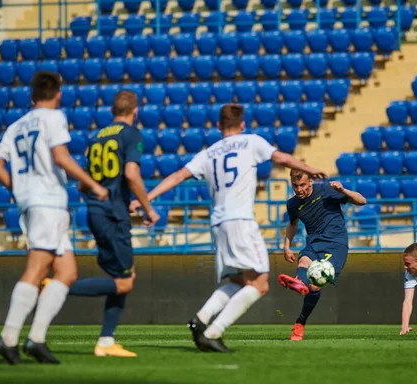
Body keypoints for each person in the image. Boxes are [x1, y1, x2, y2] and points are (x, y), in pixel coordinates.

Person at [144, 104, 328, 353]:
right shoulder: (250, 142)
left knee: (239, 281)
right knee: (260, 283)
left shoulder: (208, 153)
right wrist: (309, 169)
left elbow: (177, 176)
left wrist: (146, 198)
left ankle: (200, 318)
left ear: (219, 126)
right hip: (240, 221)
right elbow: (282, 158)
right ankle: (213, 332)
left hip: (218, 224)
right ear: (242, 125)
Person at [0, 71, 108, 364]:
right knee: (37, 269)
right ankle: (8, 338)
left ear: (33, 94)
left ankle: (36, 339)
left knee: (66, 272)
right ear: (58, 94)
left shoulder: (17, 125)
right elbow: (61, 157)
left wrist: (19, 189)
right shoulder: (53, 117)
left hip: (34, 203)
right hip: (48, 203)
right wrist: (93, 184)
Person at [43, 90, 160, 357]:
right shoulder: (131, 135)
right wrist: (148, 208)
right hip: (113, 215)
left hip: (95, 211)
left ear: (112, 111)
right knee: (125, 281)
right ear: (135, 111)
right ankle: (58, 287)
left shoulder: (97, 137)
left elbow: (83, 183)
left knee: (121, 277)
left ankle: (106, 341)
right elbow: (132, 174)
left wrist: (107, 193)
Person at [278, 172, 366, 340]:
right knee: (303, 259)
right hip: (313, 243)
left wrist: (343, 190)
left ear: (310, 181)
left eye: (303, 185)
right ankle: (300, 282)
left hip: (335, 244)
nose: (299, 189)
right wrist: (287, 246)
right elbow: (293, 224)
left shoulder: (327, 190)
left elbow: (362, 200)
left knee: (315, 286)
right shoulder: (293, 204)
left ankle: (300, 321)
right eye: (295, 186)